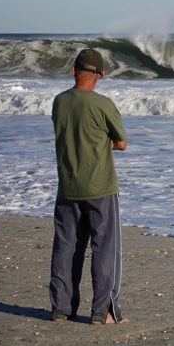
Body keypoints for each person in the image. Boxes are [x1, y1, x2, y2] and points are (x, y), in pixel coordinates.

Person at [49, 48, 129, 325]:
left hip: (68, 185)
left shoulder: (59, 102)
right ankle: (103, 311)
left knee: (66, 248)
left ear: (73, 70)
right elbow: (121, 143)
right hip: (100, 186)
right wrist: (103, 142)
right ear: (101, 76)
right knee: (105, 248)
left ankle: (61, 308)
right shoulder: (103, 104)